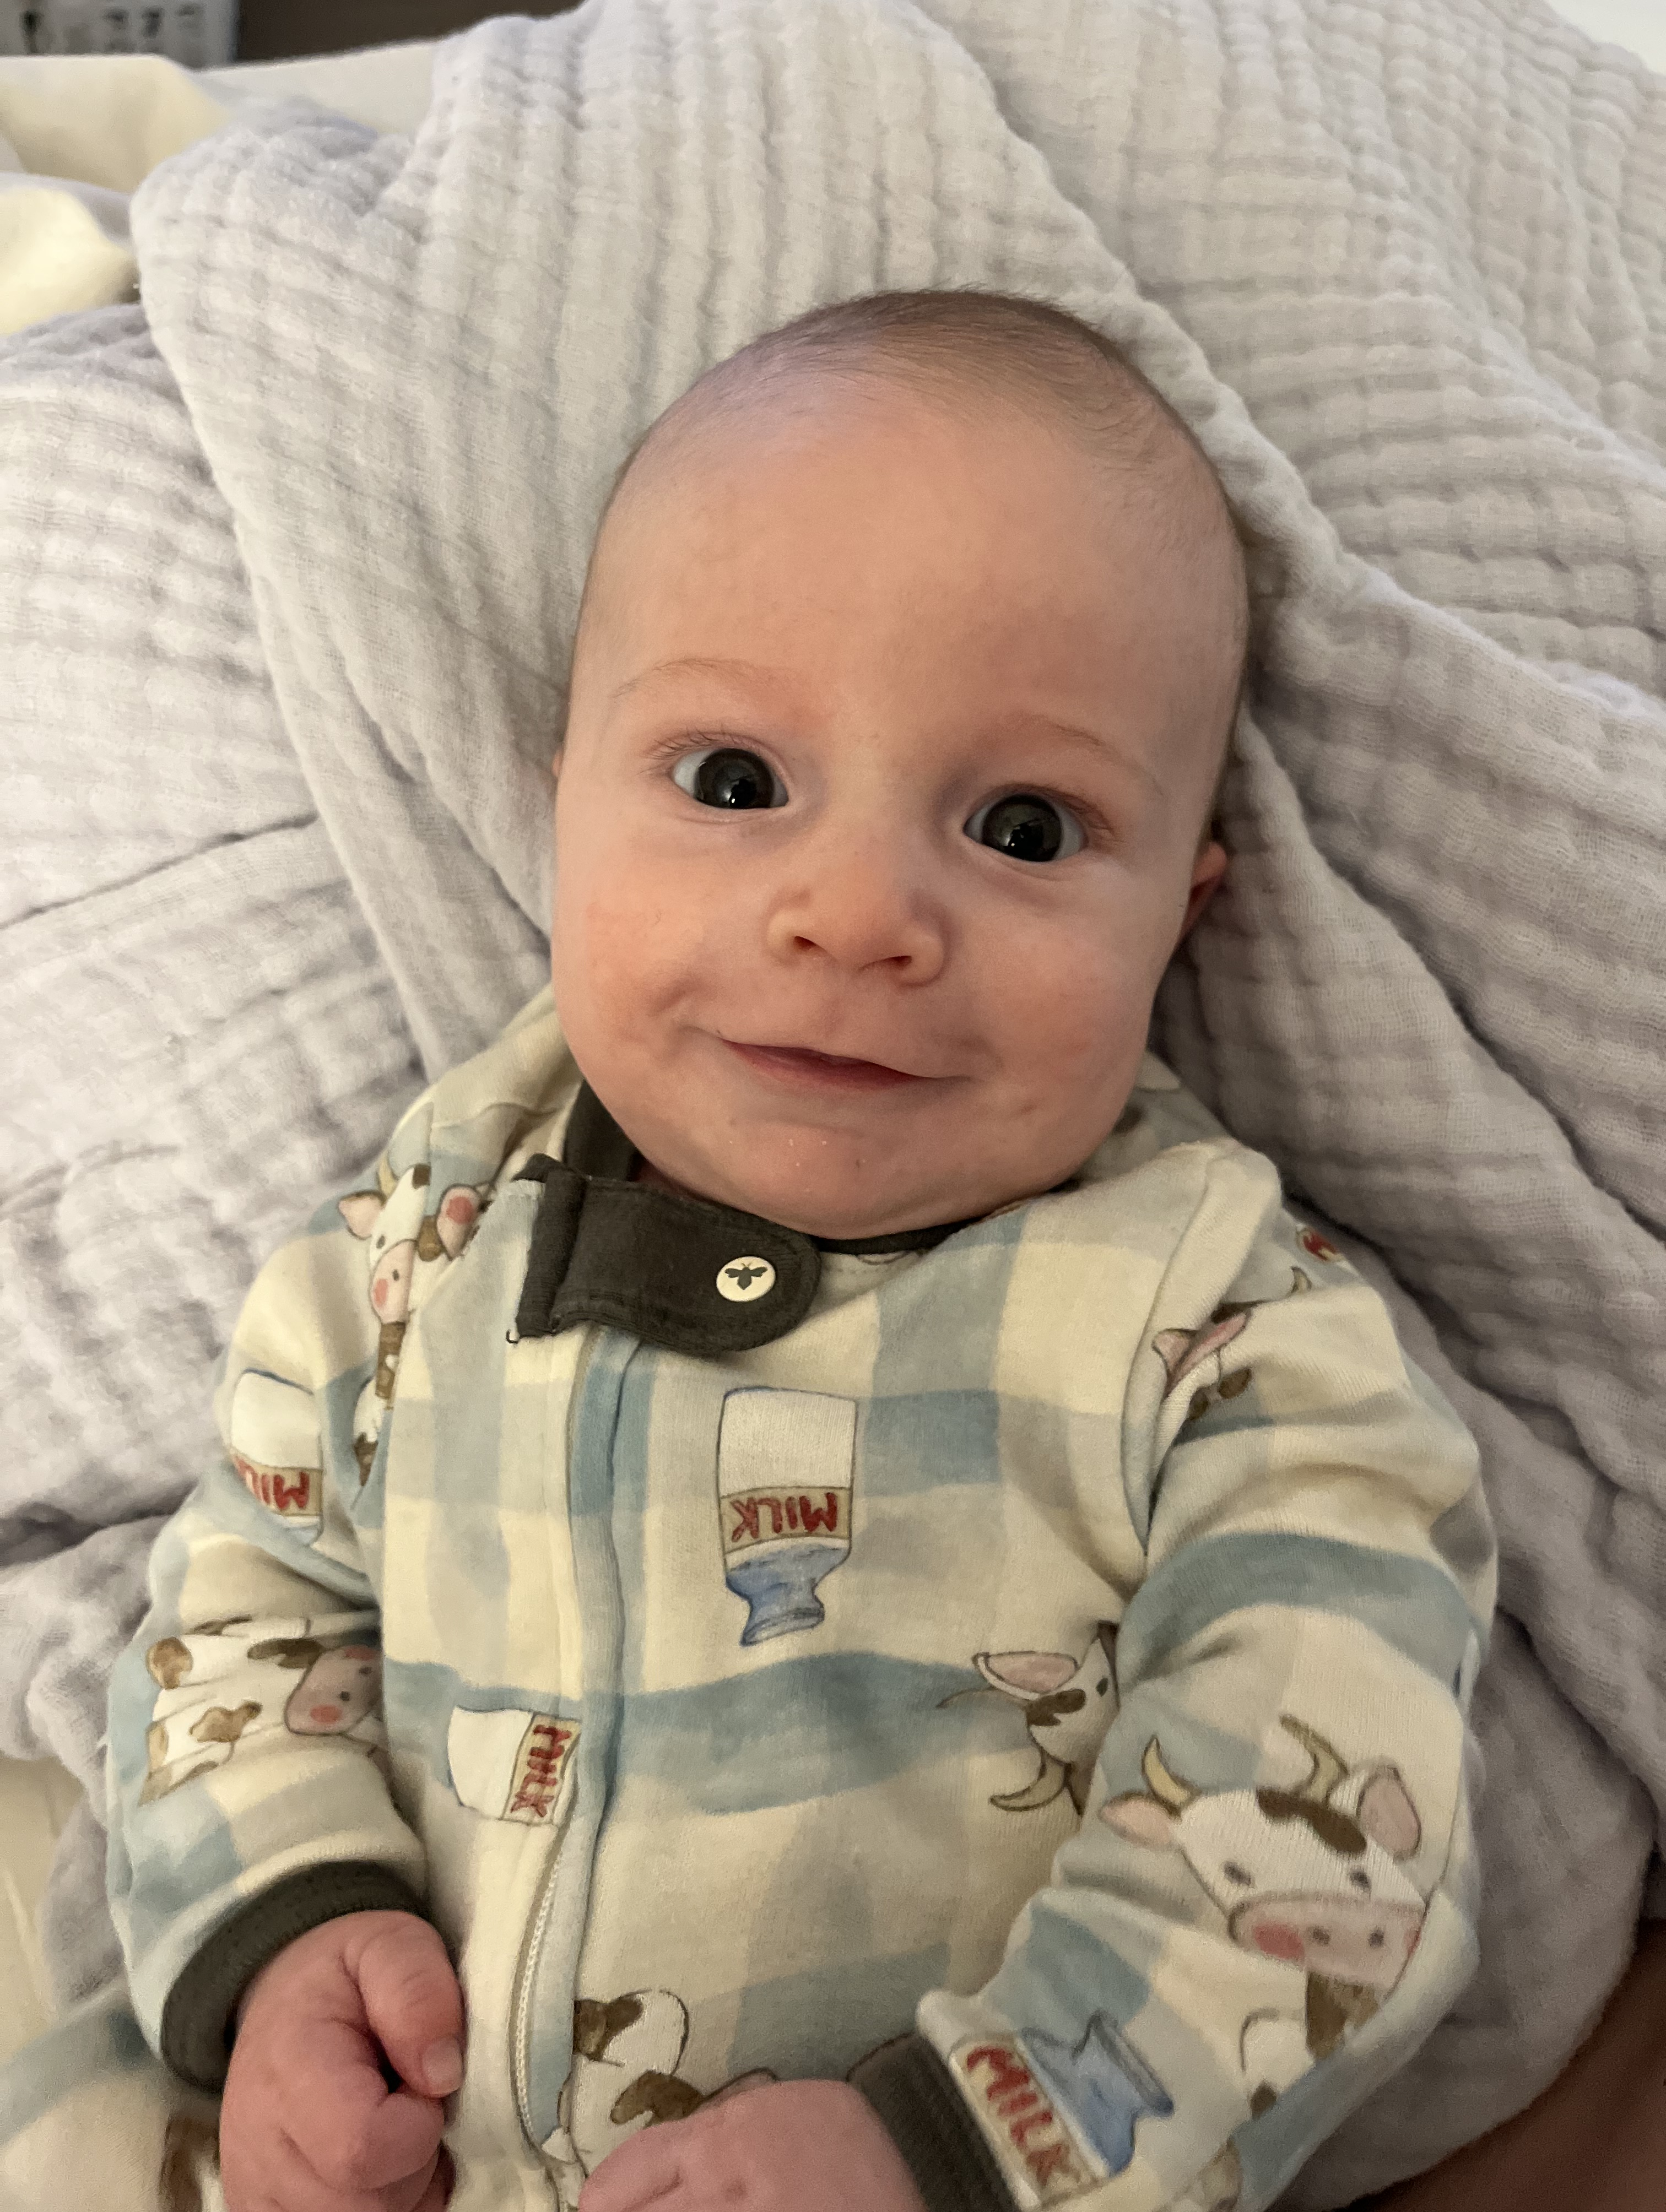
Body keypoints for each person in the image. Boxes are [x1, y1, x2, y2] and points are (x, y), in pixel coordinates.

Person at [94, 291, 1492, 2212]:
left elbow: (1333, 1832)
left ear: (1182, 913)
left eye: (1024, 826)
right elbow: (239, 1608)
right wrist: (283, 1928)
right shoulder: (423, 1249)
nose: (854, 912)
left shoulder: (1225, 1337)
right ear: (560, 802)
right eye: (735, 784)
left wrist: (962, 2141)